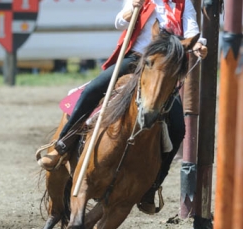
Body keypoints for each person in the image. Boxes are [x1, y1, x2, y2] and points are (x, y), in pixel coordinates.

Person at [37, 0, 208, 214]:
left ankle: (152, 187)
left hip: (162, 72)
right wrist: (130, 12)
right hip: (135, 60)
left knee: (178, 129)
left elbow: (192, 31)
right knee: (91, 92)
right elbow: (119, 22)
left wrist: (199, 44)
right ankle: (62, 144)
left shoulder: (184, 4)